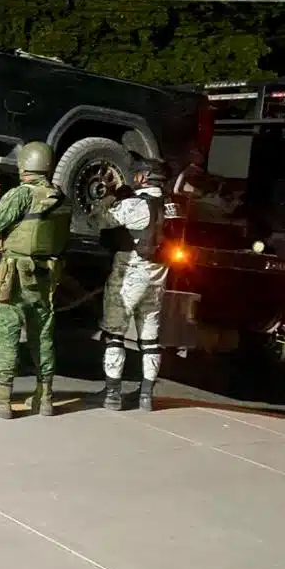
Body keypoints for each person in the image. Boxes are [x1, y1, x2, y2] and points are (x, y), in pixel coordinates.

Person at [0, 140, 73, 420]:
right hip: (46, 276)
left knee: (7, 332)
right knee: (43, 335)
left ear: (24, 165)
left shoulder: (21, 195)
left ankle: (2, 397)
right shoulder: (62, 198)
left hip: (14, 274)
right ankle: (46, 396)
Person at [94, 156, 170, 412]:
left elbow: (99, 220)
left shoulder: (135, 205)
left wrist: (107, 196)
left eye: (137, 174)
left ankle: (112, 394)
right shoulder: (173, 205)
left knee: (115, 334)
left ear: (143, 177)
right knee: (150, 338)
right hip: (159, 275)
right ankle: (146, 396)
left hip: (130, 273)